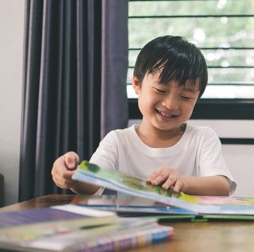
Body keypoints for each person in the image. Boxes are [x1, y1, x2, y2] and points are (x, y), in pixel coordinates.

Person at [51, 35, 236, 196]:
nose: (170, 104)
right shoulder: (118, 141)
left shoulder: (202, 138)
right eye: (161, 90)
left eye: (185, 96)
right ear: (137, 85)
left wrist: (182, 182)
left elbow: (222, 186)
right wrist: (73, 176)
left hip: (189, 232)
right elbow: (93, 183)